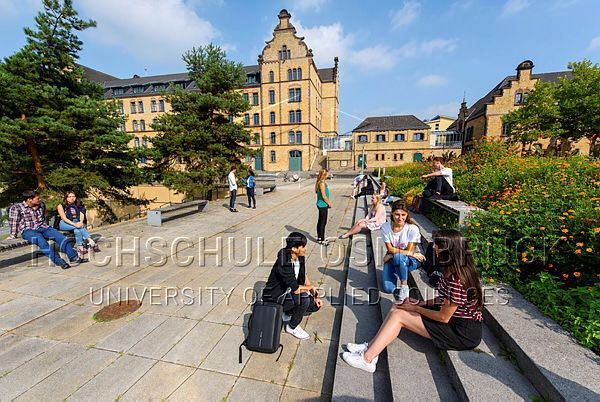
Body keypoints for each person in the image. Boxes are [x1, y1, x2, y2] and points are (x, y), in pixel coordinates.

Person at [342, 229, 484, 373]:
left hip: (461, 332)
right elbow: (443, 298)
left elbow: (443, 317)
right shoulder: (449, 269)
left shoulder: (457, 279)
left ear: (449, 250)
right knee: (399, 305)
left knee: (399, 315)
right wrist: (419, 303)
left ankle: (367, 359)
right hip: (453, 319)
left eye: (437, 245)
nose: (433, 247)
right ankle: (371, 346)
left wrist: (415, 309)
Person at [262, 232, 322, 340]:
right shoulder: (284, 261)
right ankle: (291, 327)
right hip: (275, 297)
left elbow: (304, 277)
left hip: (288, 293)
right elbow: (296, 289)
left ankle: (286, 313)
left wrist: (315, 294)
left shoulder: (300, 256)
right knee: (303, 298)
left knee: (314, 306)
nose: (305, 249)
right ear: (294, 248)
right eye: (303, 246)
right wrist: (309, 289)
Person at [7, 190, 87, 269]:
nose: (40, 200)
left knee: (61, 237)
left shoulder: (41, 204)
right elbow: (14, 222)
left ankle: (73, 257)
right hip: (28, 231)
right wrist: (12, 235)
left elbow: (43, 217)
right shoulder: (16, 208)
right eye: (37, 199)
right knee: (42, 242)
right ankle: (59, 262)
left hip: (44, 228)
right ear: (29, 200)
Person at [380, 200, 425, 301]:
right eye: (397, 214)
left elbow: (409, 251)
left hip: (409, 260)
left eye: (403, 214)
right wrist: (392, 254)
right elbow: (390, 249)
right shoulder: (385, 227)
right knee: (388, 288)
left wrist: (391, 255)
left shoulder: (412, 228)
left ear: (407, 214)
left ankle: (404, 286)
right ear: (392, 213)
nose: (400, 218)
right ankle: (398, 270)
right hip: (393, 257)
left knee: (398, 257)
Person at [315, 168, 332, 245]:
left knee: (320, 221)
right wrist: (329, 203)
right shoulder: (322, 183)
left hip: (321, 204)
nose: (328, 175)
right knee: (323, 222)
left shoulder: (321, 182)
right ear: (324, 174)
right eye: (327, 173)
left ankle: (319, 237)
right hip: (323, 205)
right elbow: (324, 196)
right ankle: (322, 239)